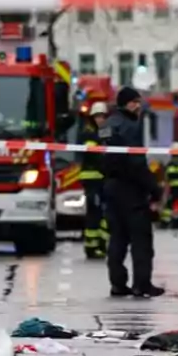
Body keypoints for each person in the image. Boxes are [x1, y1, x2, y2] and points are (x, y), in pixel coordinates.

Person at [102, 87, 164, 297]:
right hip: (131, 190)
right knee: (141, 241)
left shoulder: (108, 125)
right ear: (124, 104)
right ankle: (142, 284)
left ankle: (117, 284)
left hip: (111, 188)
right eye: (133, 102)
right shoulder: (130, 126)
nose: (138, 106)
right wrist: (154, 189)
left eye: (138, 101)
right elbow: (136, 162)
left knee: (117, 240)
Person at [78, 101, 110, 258]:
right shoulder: (89, 133)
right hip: (91, 179)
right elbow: (94, 155)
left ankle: (102, 244)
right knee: (94, 213)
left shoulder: (104, 132)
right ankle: (91, 246)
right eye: (97, 117)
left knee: (105, 213)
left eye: (103, 116)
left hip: (103, 179)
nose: (100, 120)